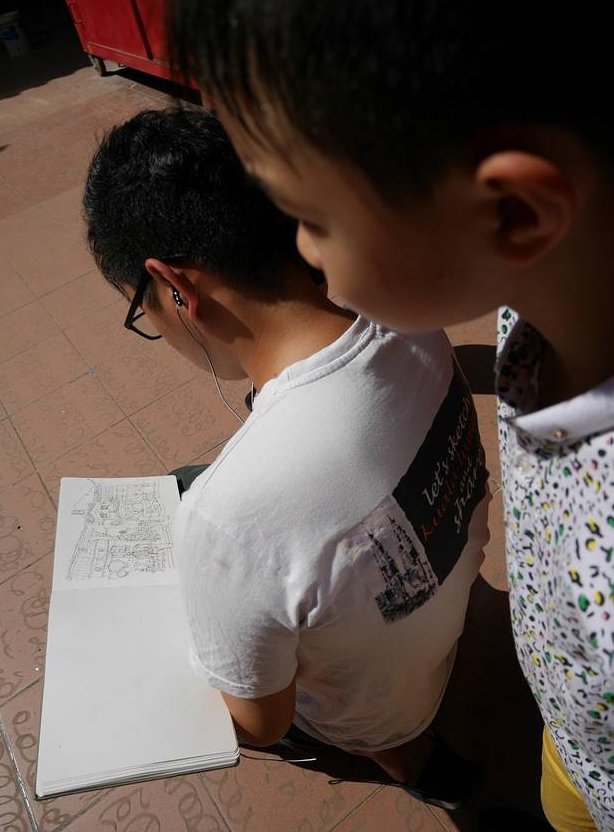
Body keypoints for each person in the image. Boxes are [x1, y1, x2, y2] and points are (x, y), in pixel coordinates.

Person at [168, 0, 614, 828]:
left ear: (512, 212)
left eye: (309, 216)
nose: (303, 253)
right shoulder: (543, 311)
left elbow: (260, 718)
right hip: (566, 737)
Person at [83, 106, 490, 810]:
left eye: (139, 309)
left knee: (194, 516)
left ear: (175, 287)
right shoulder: (406, 313)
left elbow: (260, 724)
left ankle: (398, 754)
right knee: (195, 495)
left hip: (381, 709)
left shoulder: (227, 520)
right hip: (451, 621)